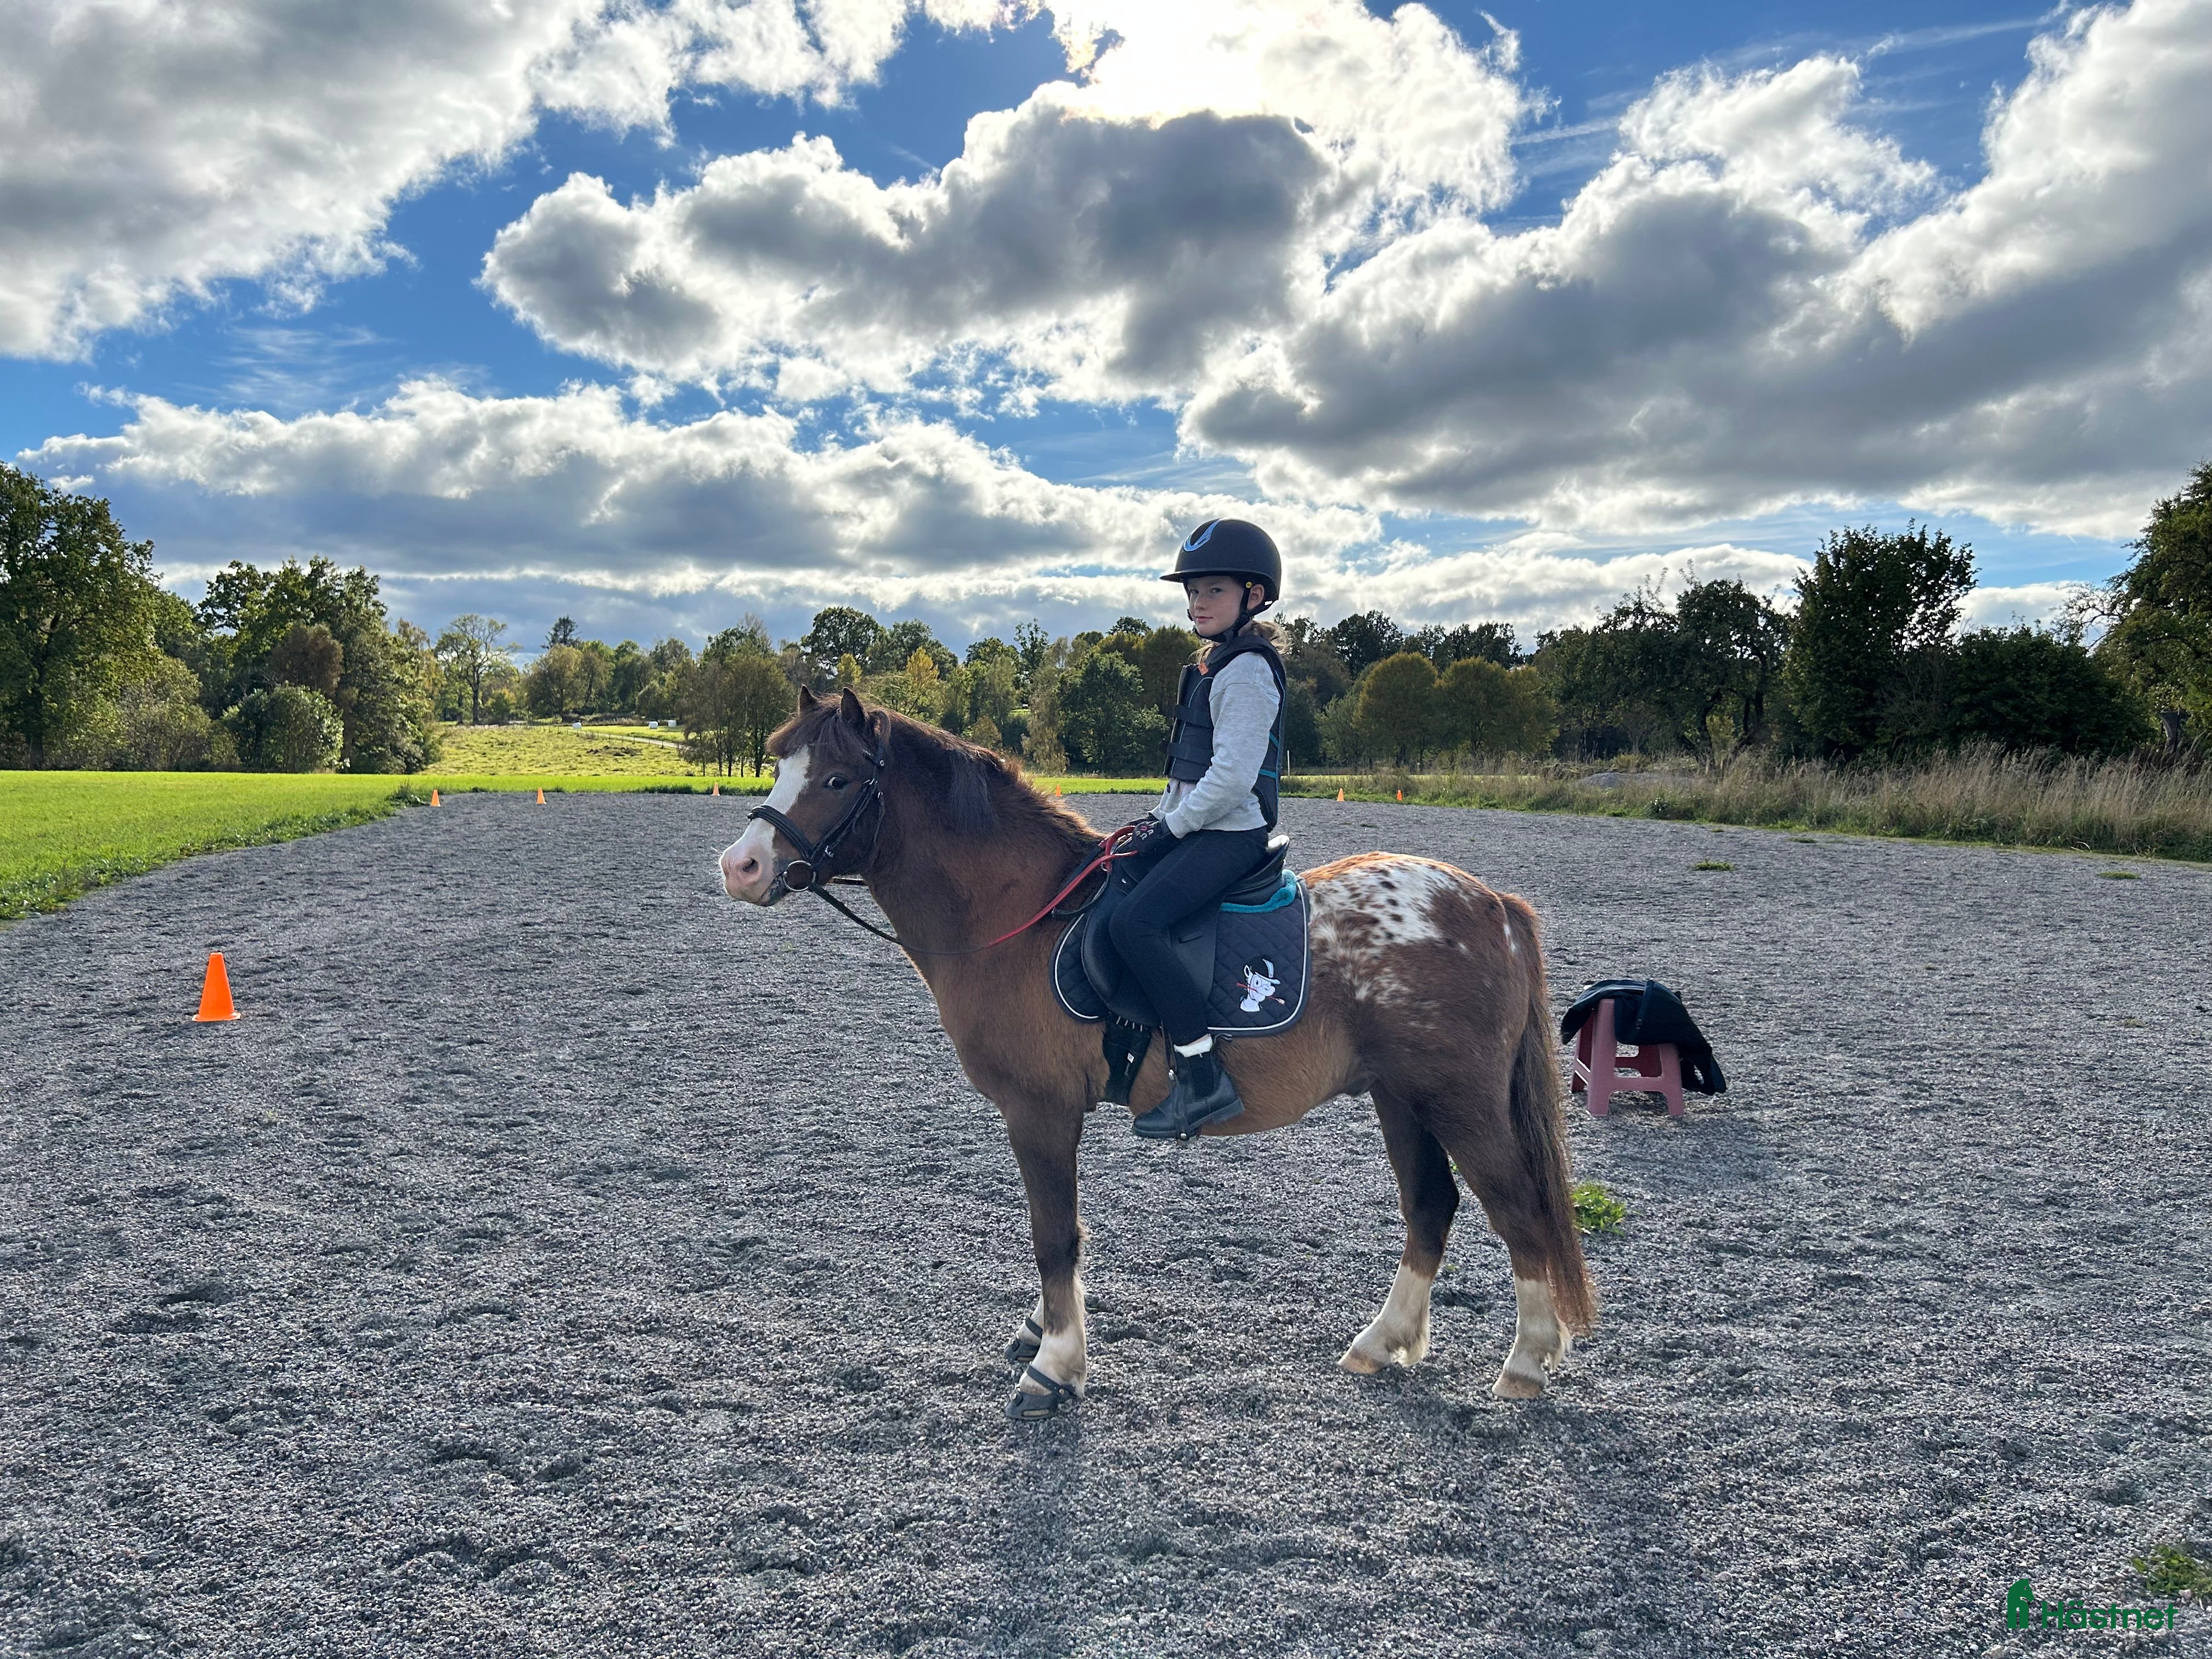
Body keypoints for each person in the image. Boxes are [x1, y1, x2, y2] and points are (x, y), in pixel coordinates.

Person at [1109, 517, 1290, 1139]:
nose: (1197, 603)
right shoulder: (1214, 664)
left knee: (1139, 922)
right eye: (1191, 592)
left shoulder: (1246, 672)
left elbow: (1232, 781)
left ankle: (1201, 1074)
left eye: (1213, 590)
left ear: (1254, 596)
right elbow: (1189, 777)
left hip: (1230, 833)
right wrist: (1156, 822)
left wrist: (1174, 829)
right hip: (1200, 824)